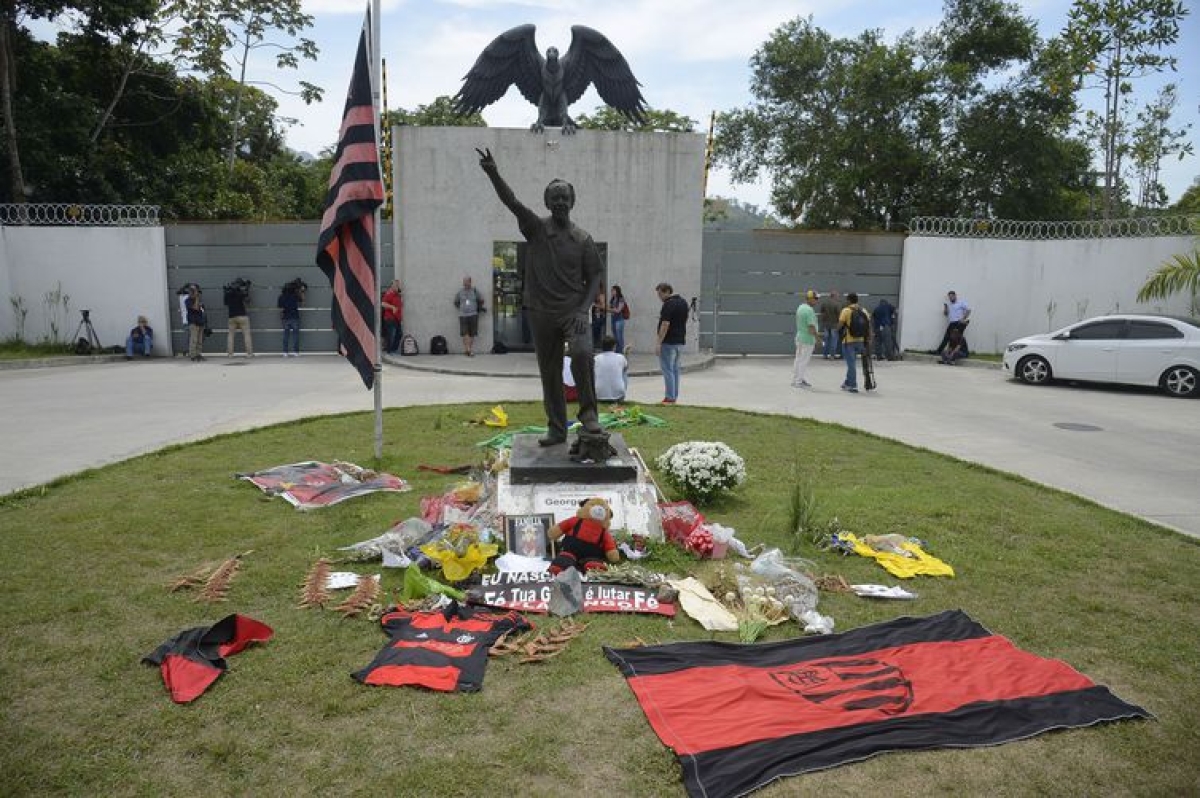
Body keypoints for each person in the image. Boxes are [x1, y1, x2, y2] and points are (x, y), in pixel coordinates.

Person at [476, 147, 604, 447]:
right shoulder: (535, 229)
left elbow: (595, 275)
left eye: (565, 197)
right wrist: (493, 172)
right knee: (549, 372)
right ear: (547, 202)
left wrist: (583, 310)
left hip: (573, 311)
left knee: (583, 355)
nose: (560, 201)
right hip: (540, 312)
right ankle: (557, 428)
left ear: (572, 202)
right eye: (555, 197)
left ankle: (588, 416)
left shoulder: (583, 239)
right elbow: (512, 203)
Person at [655, 282, 688, 404]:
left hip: (668, 341)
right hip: (680, 340)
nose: (659, 297)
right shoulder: (683, 302)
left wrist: (658, 342)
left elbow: (665, 324)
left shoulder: (668, 304)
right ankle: (674, 396)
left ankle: (669, 397)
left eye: (660, 294)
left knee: (667, 369)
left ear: (667, 291)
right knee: (675, 369)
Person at [837, 291, 870, 393]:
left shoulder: (846, 310)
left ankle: (853, 385)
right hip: (860, 341)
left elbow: (840, 325)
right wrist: (868, 338)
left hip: (849, 341)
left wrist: (837, 330)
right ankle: (847, 382)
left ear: (848, 300)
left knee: (851, 364)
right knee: (851, 364)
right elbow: (868, 325)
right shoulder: (864, 310)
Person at [792, 289, 819, 388]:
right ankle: (798, 382)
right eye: (815, 299)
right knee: (803, 361)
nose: (817, 301)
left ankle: (796, 379)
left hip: (800, 337)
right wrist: (818, 339)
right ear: (810, 299)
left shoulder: (800, 307)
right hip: (807, 339)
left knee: (798, 359)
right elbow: (811, 327)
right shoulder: (809, 310)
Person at [453, 275, 485, 357]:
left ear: (470, 282)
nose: (465, 283)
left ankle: (468, 350)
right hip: (463, 315)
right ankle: (468, 350)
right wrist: (462, 308)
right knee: (465, 333)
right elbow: (456, 302)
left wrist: (477, 308)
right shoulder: (460, 292)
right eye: (464, 282)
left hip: (473, 314)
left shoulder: (475, 291)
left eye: (466, 282)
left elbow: (481, 300)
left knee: (472, 334)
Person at [933, 290, 971, 355]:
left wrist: (963, 318)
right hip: (952, 323)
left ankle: (960, 353)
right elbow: (946, 314)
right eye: (949, 297)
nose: (950, 298)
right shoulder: (949, 304)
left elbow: (968, 310)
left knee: (956, 338)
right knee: (946, 337)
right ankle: (939, 351)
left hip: (958, 323)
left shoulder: (961, 303)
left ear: (955, 296)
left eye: (952, 296)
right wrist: (945, 307)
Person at [594, 335, 629, 402]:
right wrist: (626, 355)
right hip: (618, 396)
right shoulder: (620, 357)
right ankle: (621, 395)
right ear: (614, 346)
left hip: (598, 395)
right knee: (624, 372)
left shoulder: (596, 358)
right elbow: (626, 368)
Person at [224, 279, 253, 358]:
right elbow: (248, 300)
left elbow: (225, 303)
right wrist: (247, 288)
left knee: (230, 336)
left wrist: (225, 291)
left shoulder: (228, 293)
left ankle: (230, 354)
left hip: (231, 317)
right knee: (246, 335)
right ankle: (249, 354)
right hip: (242, 315)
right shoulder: (240, 292)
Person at [278, 279, 304, 357]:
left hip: (286, 318)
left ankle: (285, 352)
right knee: (295, 336)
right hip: (295, 317)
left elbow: (281, 309)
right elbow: (302, 302)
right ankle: (296, 352)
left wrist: (281, 318)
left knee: (286, 336)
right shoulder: (295, 296)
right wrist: (302, 291)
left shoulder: (281, 297)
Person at [818, 290, 842, 359]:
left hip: (826, 324)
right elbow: (839, 315)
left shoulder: (824, 303)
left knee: (826, 340)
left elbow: (822, 313)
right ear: (834, 296)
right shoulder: (837, 304)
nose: (838, 297)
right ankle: (832, 355)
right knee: (834, 340)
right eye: (837, 296)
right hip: (834, 325)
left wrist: (823, 320)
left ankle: (825, 355)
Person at [185, 285, 206, 362]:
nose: (195, 293)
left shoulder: (199, 300)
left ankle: (198, 354)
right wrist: (197, 298)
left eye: (195, 291)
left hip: (200, 322)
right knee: (194, 340)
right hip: (193, 322)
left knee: (200, 340)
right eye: (193, 291)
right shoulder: (188, 300)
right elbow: (195, 308)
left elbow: (202, 310)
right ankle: (193, 355)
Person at [382, 279, 403, 354]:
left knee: (399, 334)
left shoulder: (397, 294)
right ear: (392, 286)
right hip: (390, 318)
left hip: (397, 319)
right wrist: (392, 307)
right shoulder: (389, 293)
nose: (397, 286)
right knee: (391, 335)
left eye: (398, 284)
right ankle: (389, 351)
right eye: (396, 285)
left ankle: (393, 349)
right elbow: (383, 303)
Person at [608, 284, 629, 354]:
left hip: (619, 319)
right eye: (611, 290)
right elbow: (611, 309)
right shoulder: (613, 299)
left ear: (617, 291)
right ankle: (617, 351)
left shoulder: (621, 299)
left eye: (613, 290)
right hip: (613, 319)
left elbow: (618, 310)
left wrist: (610, 309)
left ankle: (620, 352)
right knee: (615, 337)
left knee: (619, 337)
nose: (612, 292)